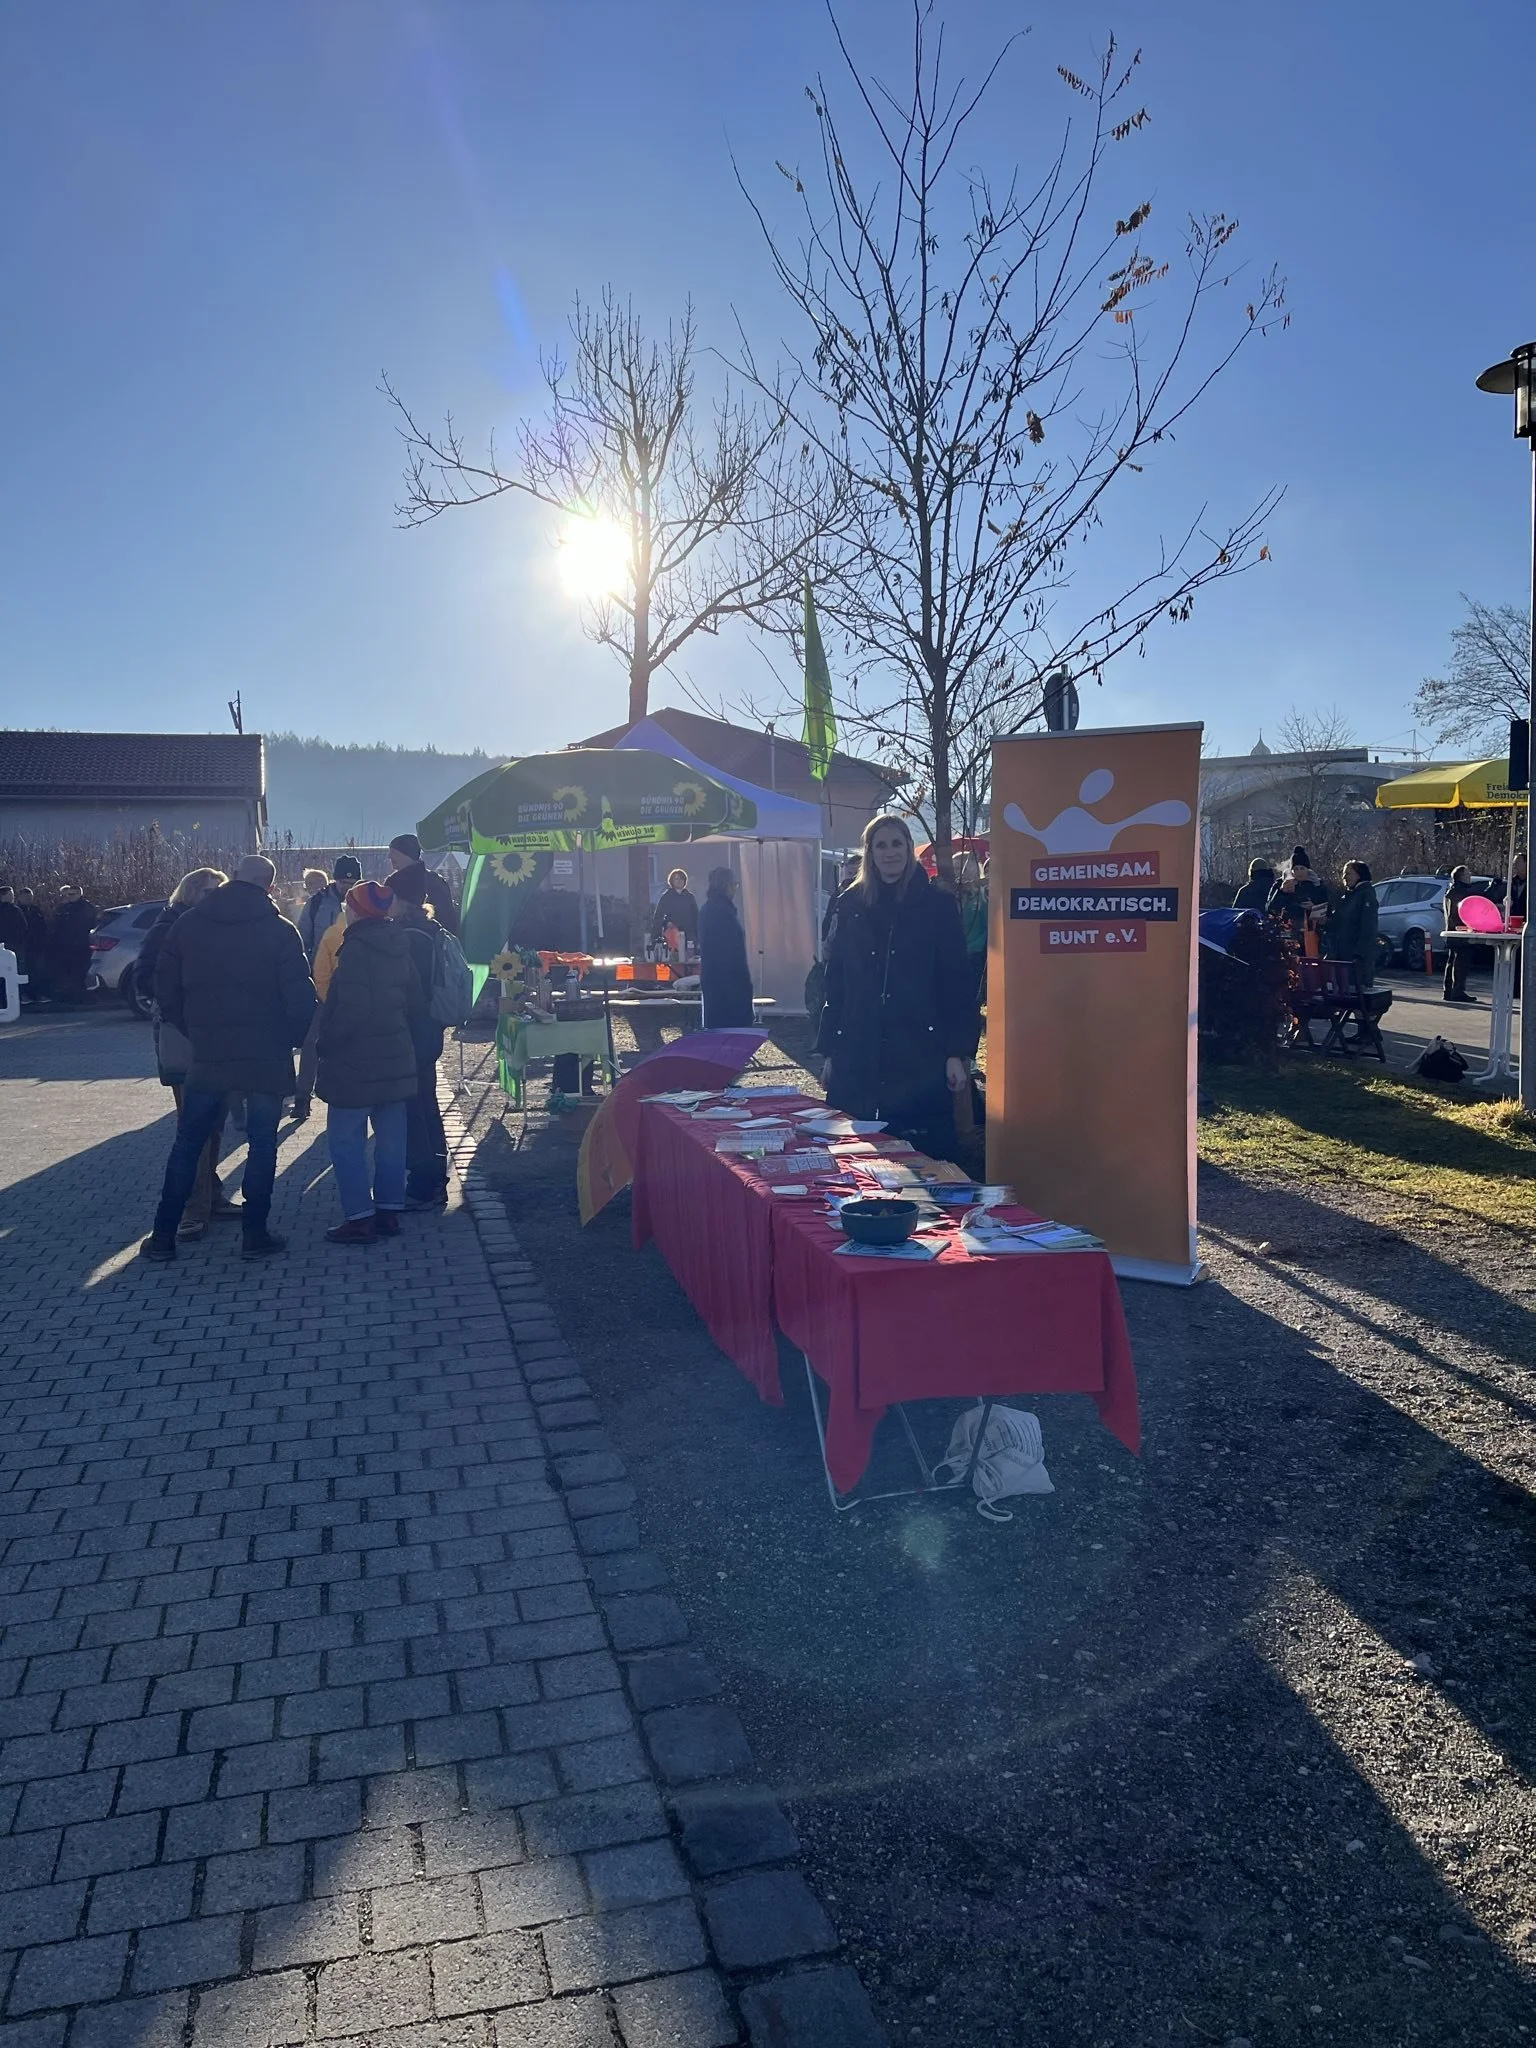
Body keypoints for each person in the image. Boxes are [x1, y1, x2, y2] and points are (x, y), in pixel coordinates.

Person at [140, 855, 315, 1262]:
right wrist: (285, 1040)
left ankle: (163, 1236)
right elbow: (300, 999)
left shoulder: (188, 924)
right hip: (265, 1056)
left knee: (188, 1143)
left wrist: (195, 1031)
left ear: (233, 878)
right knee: (262, 1144)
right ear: (270, 888)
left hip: (208, 1054)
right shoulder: (280, 930)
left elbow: (165, 988)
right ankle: (255, 1234)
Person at [817, 813, 980, 1162]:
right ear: (870, 853)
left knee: (922, 1162)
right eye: (881, 845)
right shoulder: (851, 904)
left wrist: (957, 1052)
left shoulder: (937, 906)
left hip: (919, 1050)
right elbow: (837, 981)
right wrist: (830, 1048)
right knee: (853, 1161)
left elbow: (957, 982)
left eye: (897, 843)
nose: (890, 852)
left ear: (908, 848)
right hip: (858, 1050)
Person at [316, 881, 427, 1244]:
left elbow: (351, 1010)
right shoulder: (399, 944)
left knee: (346, 1142)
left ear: (356, 910)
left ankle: (359, 1217)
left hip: (356, 1063)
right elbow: (414, 1004)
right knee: (392, 1141)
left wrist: (326, 1042)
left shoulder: (357, 949)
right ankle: (390, 1212)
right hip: (395, 1057)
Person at [139, 869, 237, 1238]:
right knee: (193, 1125)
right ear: (191, 891)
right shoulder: (169, 925)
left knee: (214, 1122)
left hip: (217, 1038)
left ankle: (211, 1196)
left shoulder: (219, 925)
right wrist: (185, 999)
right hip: (184, 1038)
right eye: (209, 890)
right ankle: (191, 1210)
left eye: (219, 890)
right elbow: (145, 976)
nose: (214, 896)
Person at [388, 864, 449, 1209]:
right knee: (426, 1103)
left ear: (404, 901)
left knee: (415, 1107)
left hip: (413, 1032)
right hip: (429, 1030)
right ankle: (435, 1176)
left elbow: (406, 990)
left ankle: (424, 1184)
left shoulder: (409, 938)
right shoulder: (430, 930)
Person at [294, 856, 361, 1119]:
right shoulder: (317, 903)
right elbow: (302, 939)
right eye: (344, 882)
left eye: (352, 882)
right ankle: (302, 1097)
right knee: (312, 1043)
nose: (347, 887)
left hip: (356, 983)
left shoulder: (364, 899)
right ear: (335, 879)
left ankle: (354, 1093)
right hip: (323, 982)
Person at [697, 867, 754, 1028]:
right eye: (734, 884)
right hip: (728, 983)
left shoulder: (709, 909)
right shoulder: (722, 912)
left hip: (715, 979)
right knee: (730, 1032)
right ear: (726, 885)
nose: (736, 888)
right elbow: (731, 951)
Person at [388, 835, 458, 935]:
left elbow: (446, 917)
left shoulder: (432, 882)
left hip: (425, 938)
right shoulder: (433, 880)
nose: (389, 857)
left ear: (406, 855)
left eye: (394, 853)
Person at [1324, 860, 1379, 987]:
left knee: (1358, 995)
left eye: (1348, 873)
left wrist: (1359, 955)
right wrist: (1325, 922)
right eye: (1344, 874)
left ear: (1359, 875)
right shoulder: (1348, 896)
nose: (1344, 877)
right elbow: (1338, 923)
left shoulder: (1366, 896)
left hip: (1356, 959)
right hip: (1343, 957)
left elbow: (1369, 929)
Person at [47, 884, 99, 1003]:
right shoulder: (65, 908)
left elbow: (91, 926)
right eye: (68, 894)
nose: (69, 896)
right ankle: (71, 997)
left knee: (81, 972)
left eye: (72, 894)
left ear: (80, 894)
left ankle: (82, 996)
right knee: (68, 972)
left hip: (82, 946)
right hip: (66, 946)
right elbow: (57, 926)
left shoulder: (87, 908)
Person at [1266, 847, 1329, 939]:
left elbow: (1326, 914)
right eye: (1295, 869)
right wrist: (1282, 892)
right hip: (1286, 933)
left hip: (1312, 934)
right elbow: (1270, 909)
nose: (1299, 872)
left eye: (1302, 868)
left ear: (1308, 869)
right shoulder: (1281, 884)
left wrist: (1313, 908)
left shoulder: (1317, 886)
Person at [1442, 864, 1477, 1004]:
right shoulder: (1460, 892)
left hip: (1452, 931)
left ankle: (1449, 990)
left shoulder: (1451, 891)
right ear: (1461, 877)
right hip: (1459, 931)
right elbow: (1458, 913)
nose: (1470, 877)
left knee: (1452, 961)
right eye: (1467, 874)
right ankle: (1457, 991)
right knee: (1460, 962)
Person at [649, 868, 698, 952]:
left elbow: (696, 916)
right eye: (676, 879)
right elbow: (658, 917)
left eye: (681, 879)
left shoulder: (689, 897)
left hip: (689, 936)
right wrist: (655, 937)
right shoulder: (666, 897)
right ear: (672, 881)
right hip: (671, 935)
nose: (679, 881)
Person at [15, 886, 48, 1002]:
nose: (28, 899)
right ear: (19, 898)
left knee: (36, 971)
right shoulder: (16, 910)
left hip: (36, 945)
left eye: (30, 897)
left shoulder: (36, 910)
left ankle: (37, 994)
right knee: (23, 971)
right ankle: (23, 995)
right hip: (22, 945)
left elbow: (42, 926)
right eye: (25, 897)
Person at [821, 855, 861, 945]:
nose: (853, 878)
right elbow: (828, 919)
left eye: (857, 874)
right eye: (850, 873)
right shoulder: (838, 894)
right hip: (837, 945)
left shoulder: (867, 896)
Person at [0, 885, 29, 983]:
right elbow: (23, 926)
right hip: (15, 944)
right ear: (4, 895)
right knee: (17, 969)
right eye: (11, 894)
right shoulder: (15, 910)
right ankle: (18, 994)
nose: (13, 896)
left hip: (2, 944)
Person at [1509, 852, 1527, 923]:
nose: (1515, 866)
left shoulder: (1532, 882)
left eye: (1518, 863)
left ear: (1526, 864)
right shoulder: (1513, 881)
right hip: (1514, 920)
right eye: (1514, 863)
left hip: (1528, 921)